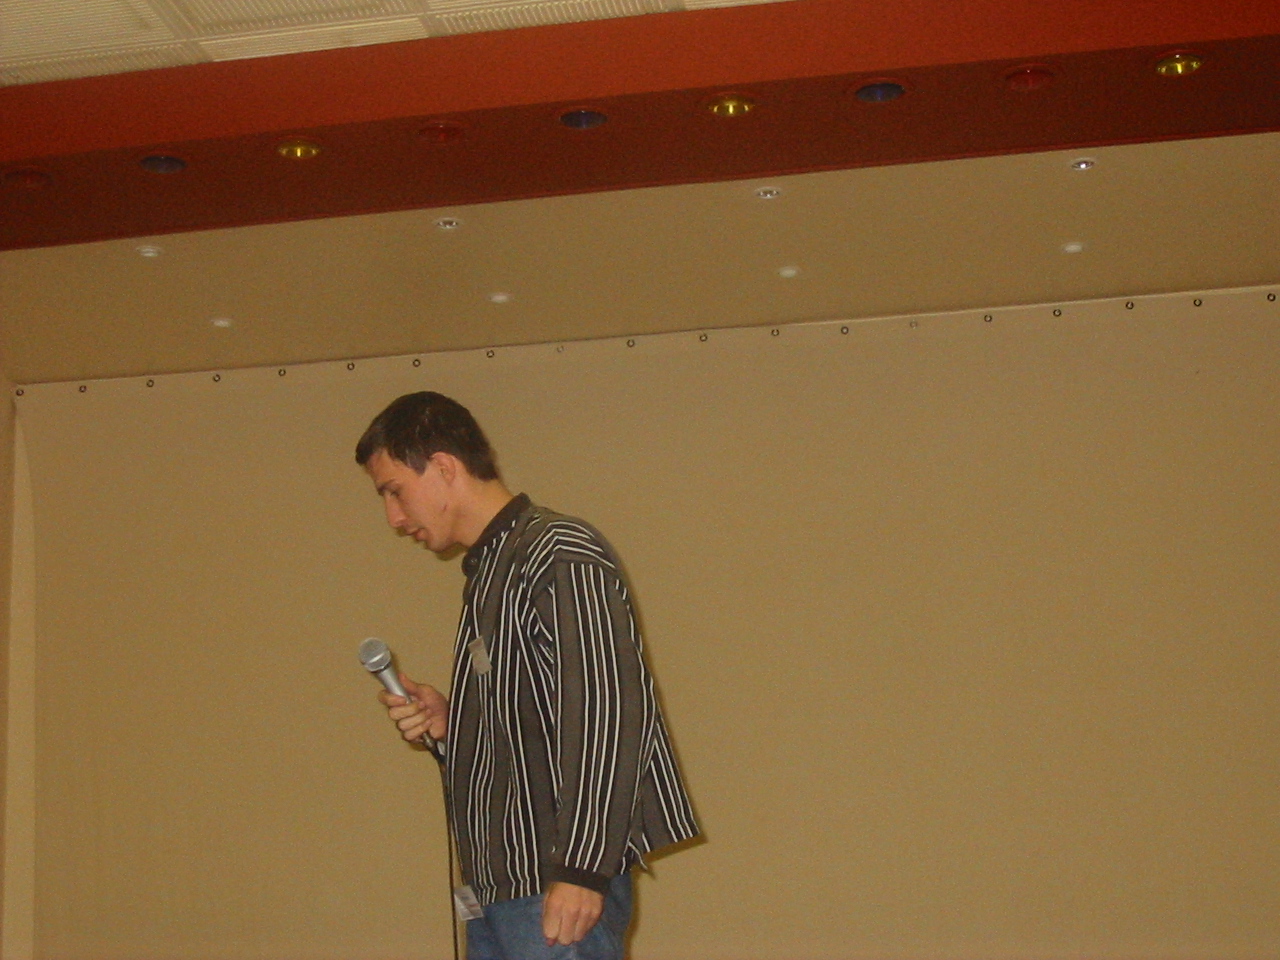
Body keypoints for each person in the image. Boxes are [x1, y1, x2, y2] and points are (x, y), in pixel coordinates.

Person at [355, 391, 699, 960]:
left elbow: (605, 714)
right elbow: (538, 724)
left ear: (444, 467)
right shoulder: (493, 570)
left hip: (551, 885)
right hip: (502, 889)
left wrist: (583, 869)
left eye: (394, 491)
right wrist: (454, 723)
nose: (393, 518)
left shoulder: (556, 551)